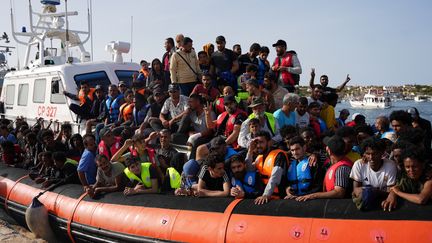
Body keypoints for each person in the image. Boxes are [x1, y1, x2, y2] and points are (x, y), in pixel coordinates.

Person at [296, 135, 352, 201]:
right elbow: (318, 155)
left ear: (328, 150)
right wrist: (314, 155)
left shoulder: (342, 168)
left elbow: (339, 193)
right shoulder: (330, 162)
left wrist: (314, 195)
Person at [351, 138, 397, 210]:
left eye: (374, 153)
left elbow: (390, 192)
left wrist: (375, 192)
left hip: (383, 204)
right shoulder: (358, 164)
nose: (371, 157)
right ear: (364, 154)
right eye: (368, 154)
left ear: (382, 153)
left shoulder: (390, 165)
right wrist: (369, 192)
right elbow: (355, 190)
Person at [248, 131, 288, 204]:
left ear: (269, 142)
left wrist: (266, 194)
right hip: (265, 197)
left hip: (280, 198)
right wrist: (250, 151)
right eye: (256, 143)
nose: (258, 145)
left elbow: (275, 177)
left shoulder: (279, 155)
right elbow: (249, 169)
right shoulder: (259, 157)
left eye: (261, 142)